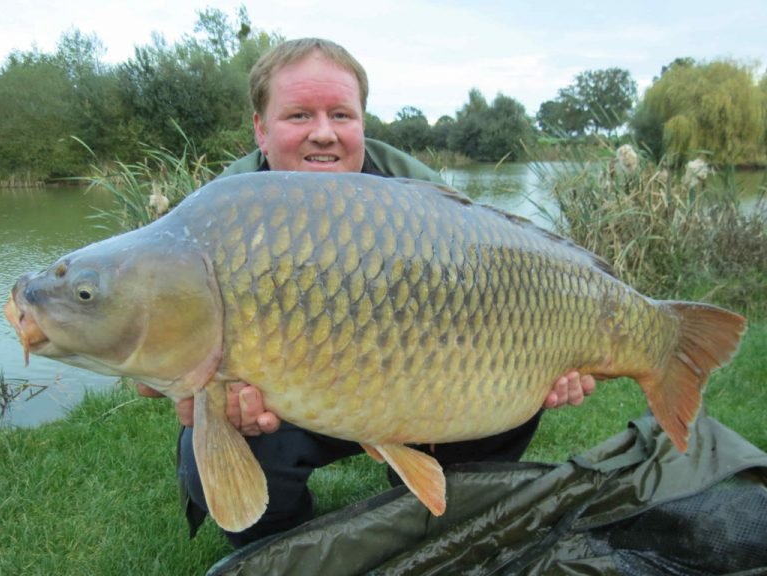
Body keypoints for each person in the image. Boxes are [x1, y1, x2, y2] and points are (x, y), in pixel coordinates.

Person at [139, 37, 596, 548]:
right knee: (208, 451)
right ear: (260, 130)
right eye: (297, 116)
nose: (323, 134)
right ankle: (287, 549)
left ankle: (436, 517)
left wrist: (547, 361)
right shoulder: (218, 217)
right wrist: (194, 390)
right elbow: (165, 349)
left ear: (362, 122)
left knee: (511, 393)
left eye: (341, 114)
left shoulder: (413, 191)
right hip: (292, 404)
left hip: (412, 383)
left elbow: (498, 283)